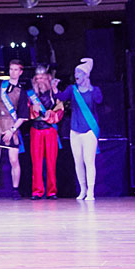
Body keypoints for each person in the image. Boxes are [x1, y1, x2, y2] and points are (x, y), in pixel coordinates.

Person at [0, 58, 27, 197]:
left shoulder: (22, 91)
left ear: (20, 72)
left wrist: (12, 130)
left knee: (14, 160)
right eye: (11, 69)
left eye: (16, 70)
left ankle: (15, 190)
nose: (13, 72)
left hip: (11, 125)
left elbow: (23, 116)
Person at [64, 58, 103, 201]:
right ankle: (82, 190)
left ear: (86, 75)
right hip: (75, 130)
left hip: (89, 130)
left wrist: (90, 87)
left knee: (89, 161)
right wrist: (54, 89)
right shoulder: (72, 89)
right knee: (78, 162)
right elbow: (61, 96)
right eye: (75, 72)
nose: (76, 75)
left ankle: (91, 191)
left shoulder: (94, 90)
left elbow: (99, 100)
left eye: (79, 72)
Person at [27, 65, 66, 199]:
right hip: (36, 129)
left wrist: (50, 114)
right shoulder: (31, 95)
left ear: (48, 78)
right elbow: (24, 112)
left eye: (42, 78)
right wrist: (33, 109)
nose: (40, 81)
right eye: (37, 78)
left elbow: (60, 110)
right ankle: (37, 191)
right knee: (36, 163)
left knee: (51, 162)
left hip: (49, 130)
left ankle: (52, 191)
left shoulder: (54, 94)